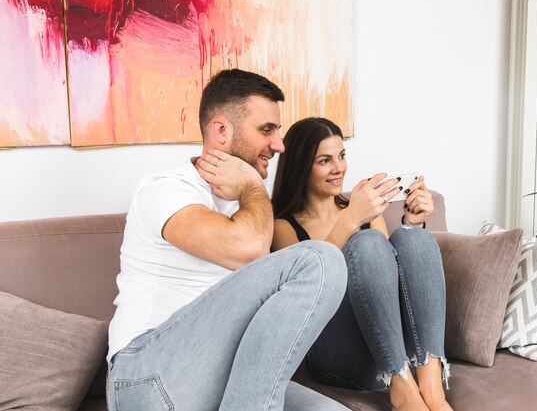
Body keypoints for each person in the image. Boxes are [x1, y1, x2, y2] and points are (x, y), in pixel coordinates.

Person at [106, 70, 350, 411]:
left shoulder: (247, 207)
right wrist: (253, 187)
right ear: (221, 130)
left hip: (224, 378)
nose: (279, 144)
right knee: (319, 260)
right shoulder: (166, 189)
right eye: (267, 130)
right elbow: (248, 251)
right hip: (149, 376)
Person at [271, 117, 453, 411]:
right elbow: (307, 286)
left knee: (413, 238)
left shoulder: (366, 212)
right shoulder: (283, 227)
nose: (339, 168)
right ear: (300, 166)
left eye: (342, 156)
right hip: (336, 353)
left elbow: (387, 284)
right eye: (325, 160)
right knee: (367, 243)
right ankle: (401, 387)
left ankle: (431, 387)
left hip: (389, 346)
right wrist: (352, 219)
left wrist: (411, 222)